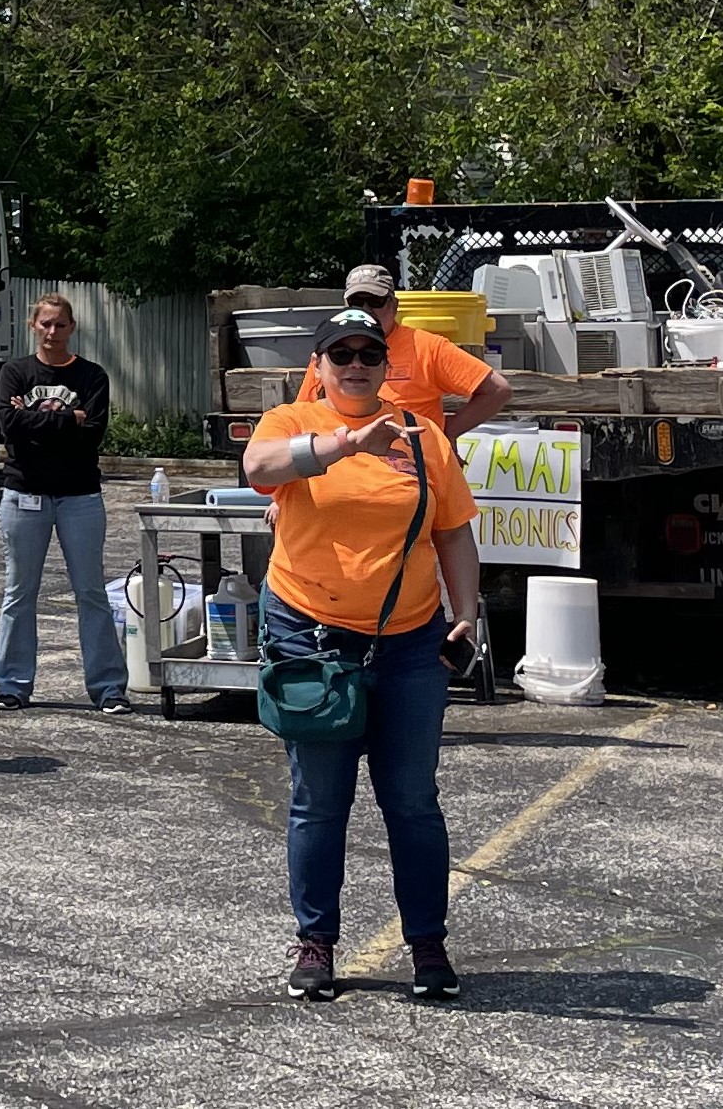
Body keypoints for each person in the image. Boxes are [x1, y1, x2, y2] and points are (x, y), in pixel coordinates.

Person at [241, 307, 482, 1005]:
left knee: (411, 799)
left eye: (367, 355)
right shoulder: (290, 423)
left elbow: (454, 533)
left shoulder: (424, 436)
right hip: (311, 638)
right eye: (338, 354)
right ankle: (315, 943)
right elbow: (257, 468)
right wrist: (344, 444)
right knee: (319, 801)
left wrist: (464, 615)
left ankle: (427, 944)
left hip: (409, 641)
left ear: (384, 366)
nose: (354, 365)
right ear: (315, 367)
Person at [0, 293, 132, 714]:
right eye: (45, 324)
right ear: (33, 325)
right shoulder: (14, 372)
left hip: (80, 497)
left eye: (60, 325)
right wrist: (68, 420)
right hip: (23, 494)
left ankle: (108, 688)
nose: (53, 332)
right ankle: (12, 685)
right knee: (19, 592)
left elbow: (94, 433)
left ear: (72, 329)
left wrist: (40, 424)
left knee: (91, 592)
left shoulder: (91, 376)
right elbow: (8, 426)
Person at [294, 264, 514, 436]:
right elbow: (303, 413)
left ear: (394, 305)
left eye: (376, 300)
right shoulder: (330, 345)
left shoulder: (427, 346)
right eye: (357, 301)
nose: (366, 309)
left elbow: (497, 389)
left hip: (412, 462)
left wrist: (447, 432)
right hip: (344, 462)